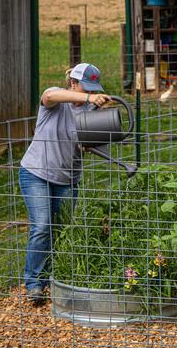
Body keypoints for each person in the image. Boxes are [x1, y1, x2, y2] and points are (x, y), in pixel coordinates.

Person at [19, 63, 111, 305]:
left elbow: (89, 143)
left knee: (59, 231)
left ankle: (52, 279)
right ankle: (33, 284)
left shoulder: (90, 111)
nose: (88, 94)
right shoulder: (55, 101)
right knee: (41, 226)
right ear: (73, 84)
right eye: (85, 87)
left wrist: (90, 144)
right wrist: (88, 96)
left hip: (67, 179)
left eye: (93, 89)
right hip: (36, 172)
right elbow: (49, 95)